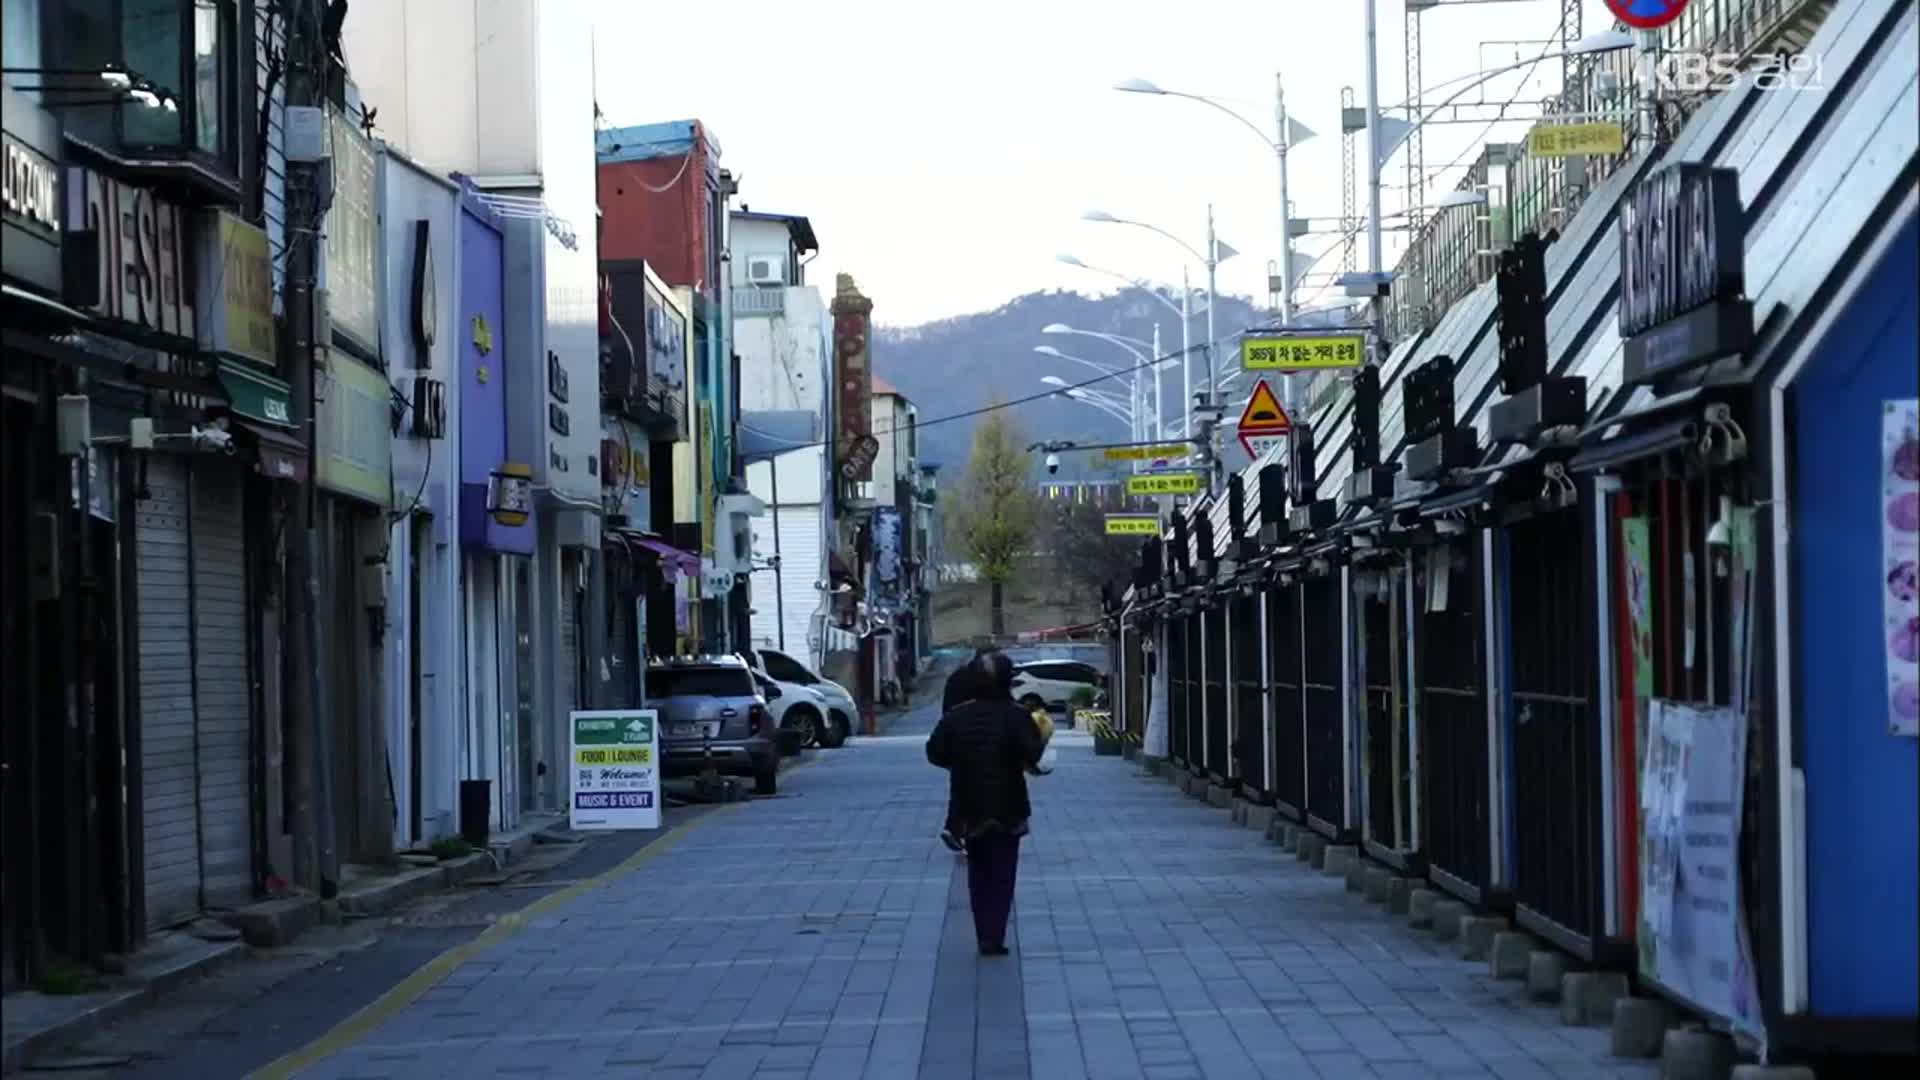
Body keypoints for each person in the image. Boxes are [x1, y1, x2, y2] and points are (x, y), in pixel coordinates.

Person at [925, 651, 1046, 957]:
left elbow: (934, 752)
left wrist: (960, 761)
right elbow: (1033, 753)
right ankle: (995, 934)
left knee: (978, 872)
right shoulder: (1016, 715)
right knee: (1003, 873)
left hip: (969, 804)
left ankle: (983, 933)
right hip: (1009, 804)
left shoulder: (958, 715)